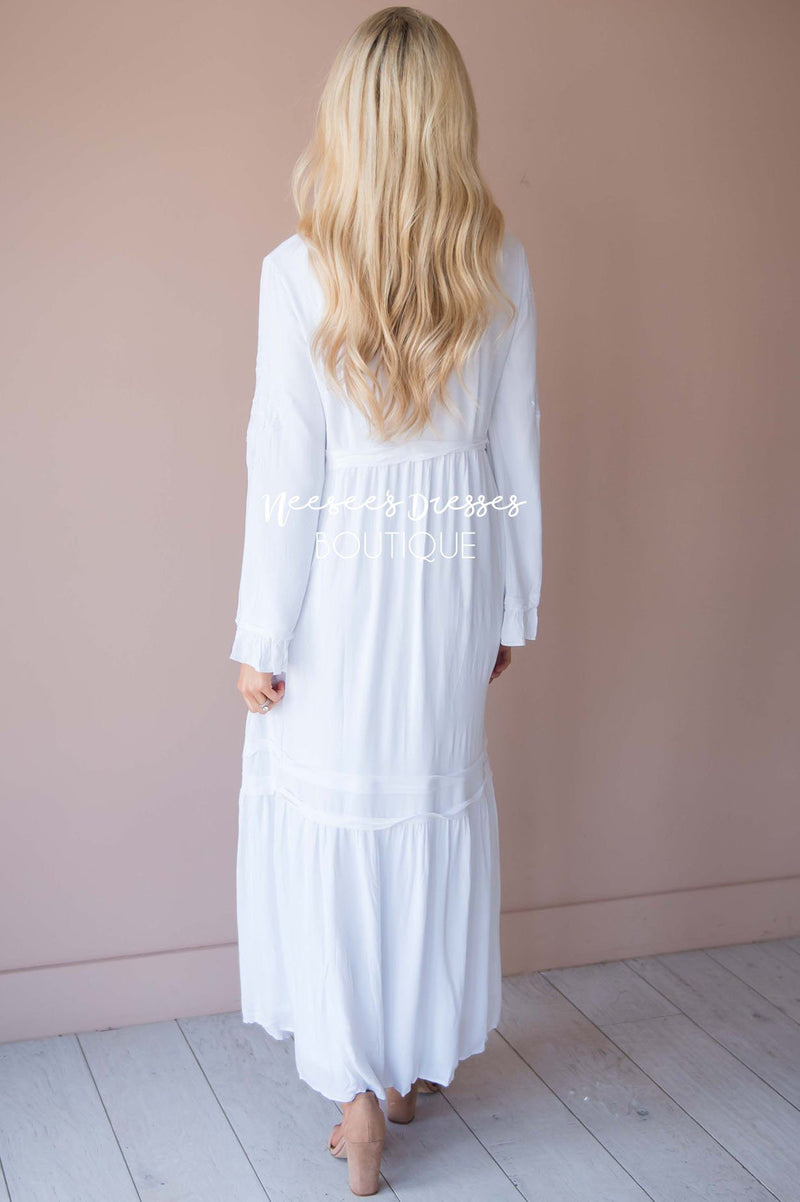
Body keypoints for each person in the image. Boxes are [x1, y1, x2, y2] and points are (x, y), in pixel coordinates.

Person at [230, 7, 541, 1195]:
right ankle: (403, 1069)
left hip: (339, 580)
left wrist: (261, 633)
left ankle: (357, 1104)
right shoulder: (495, 262)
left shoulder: (295, 270)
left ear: (347, 121)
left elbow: (286, 468)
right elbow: (515, 446)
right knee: (422, 800)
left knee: (333, 812)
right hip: (451, 567)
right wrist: (508, 601)